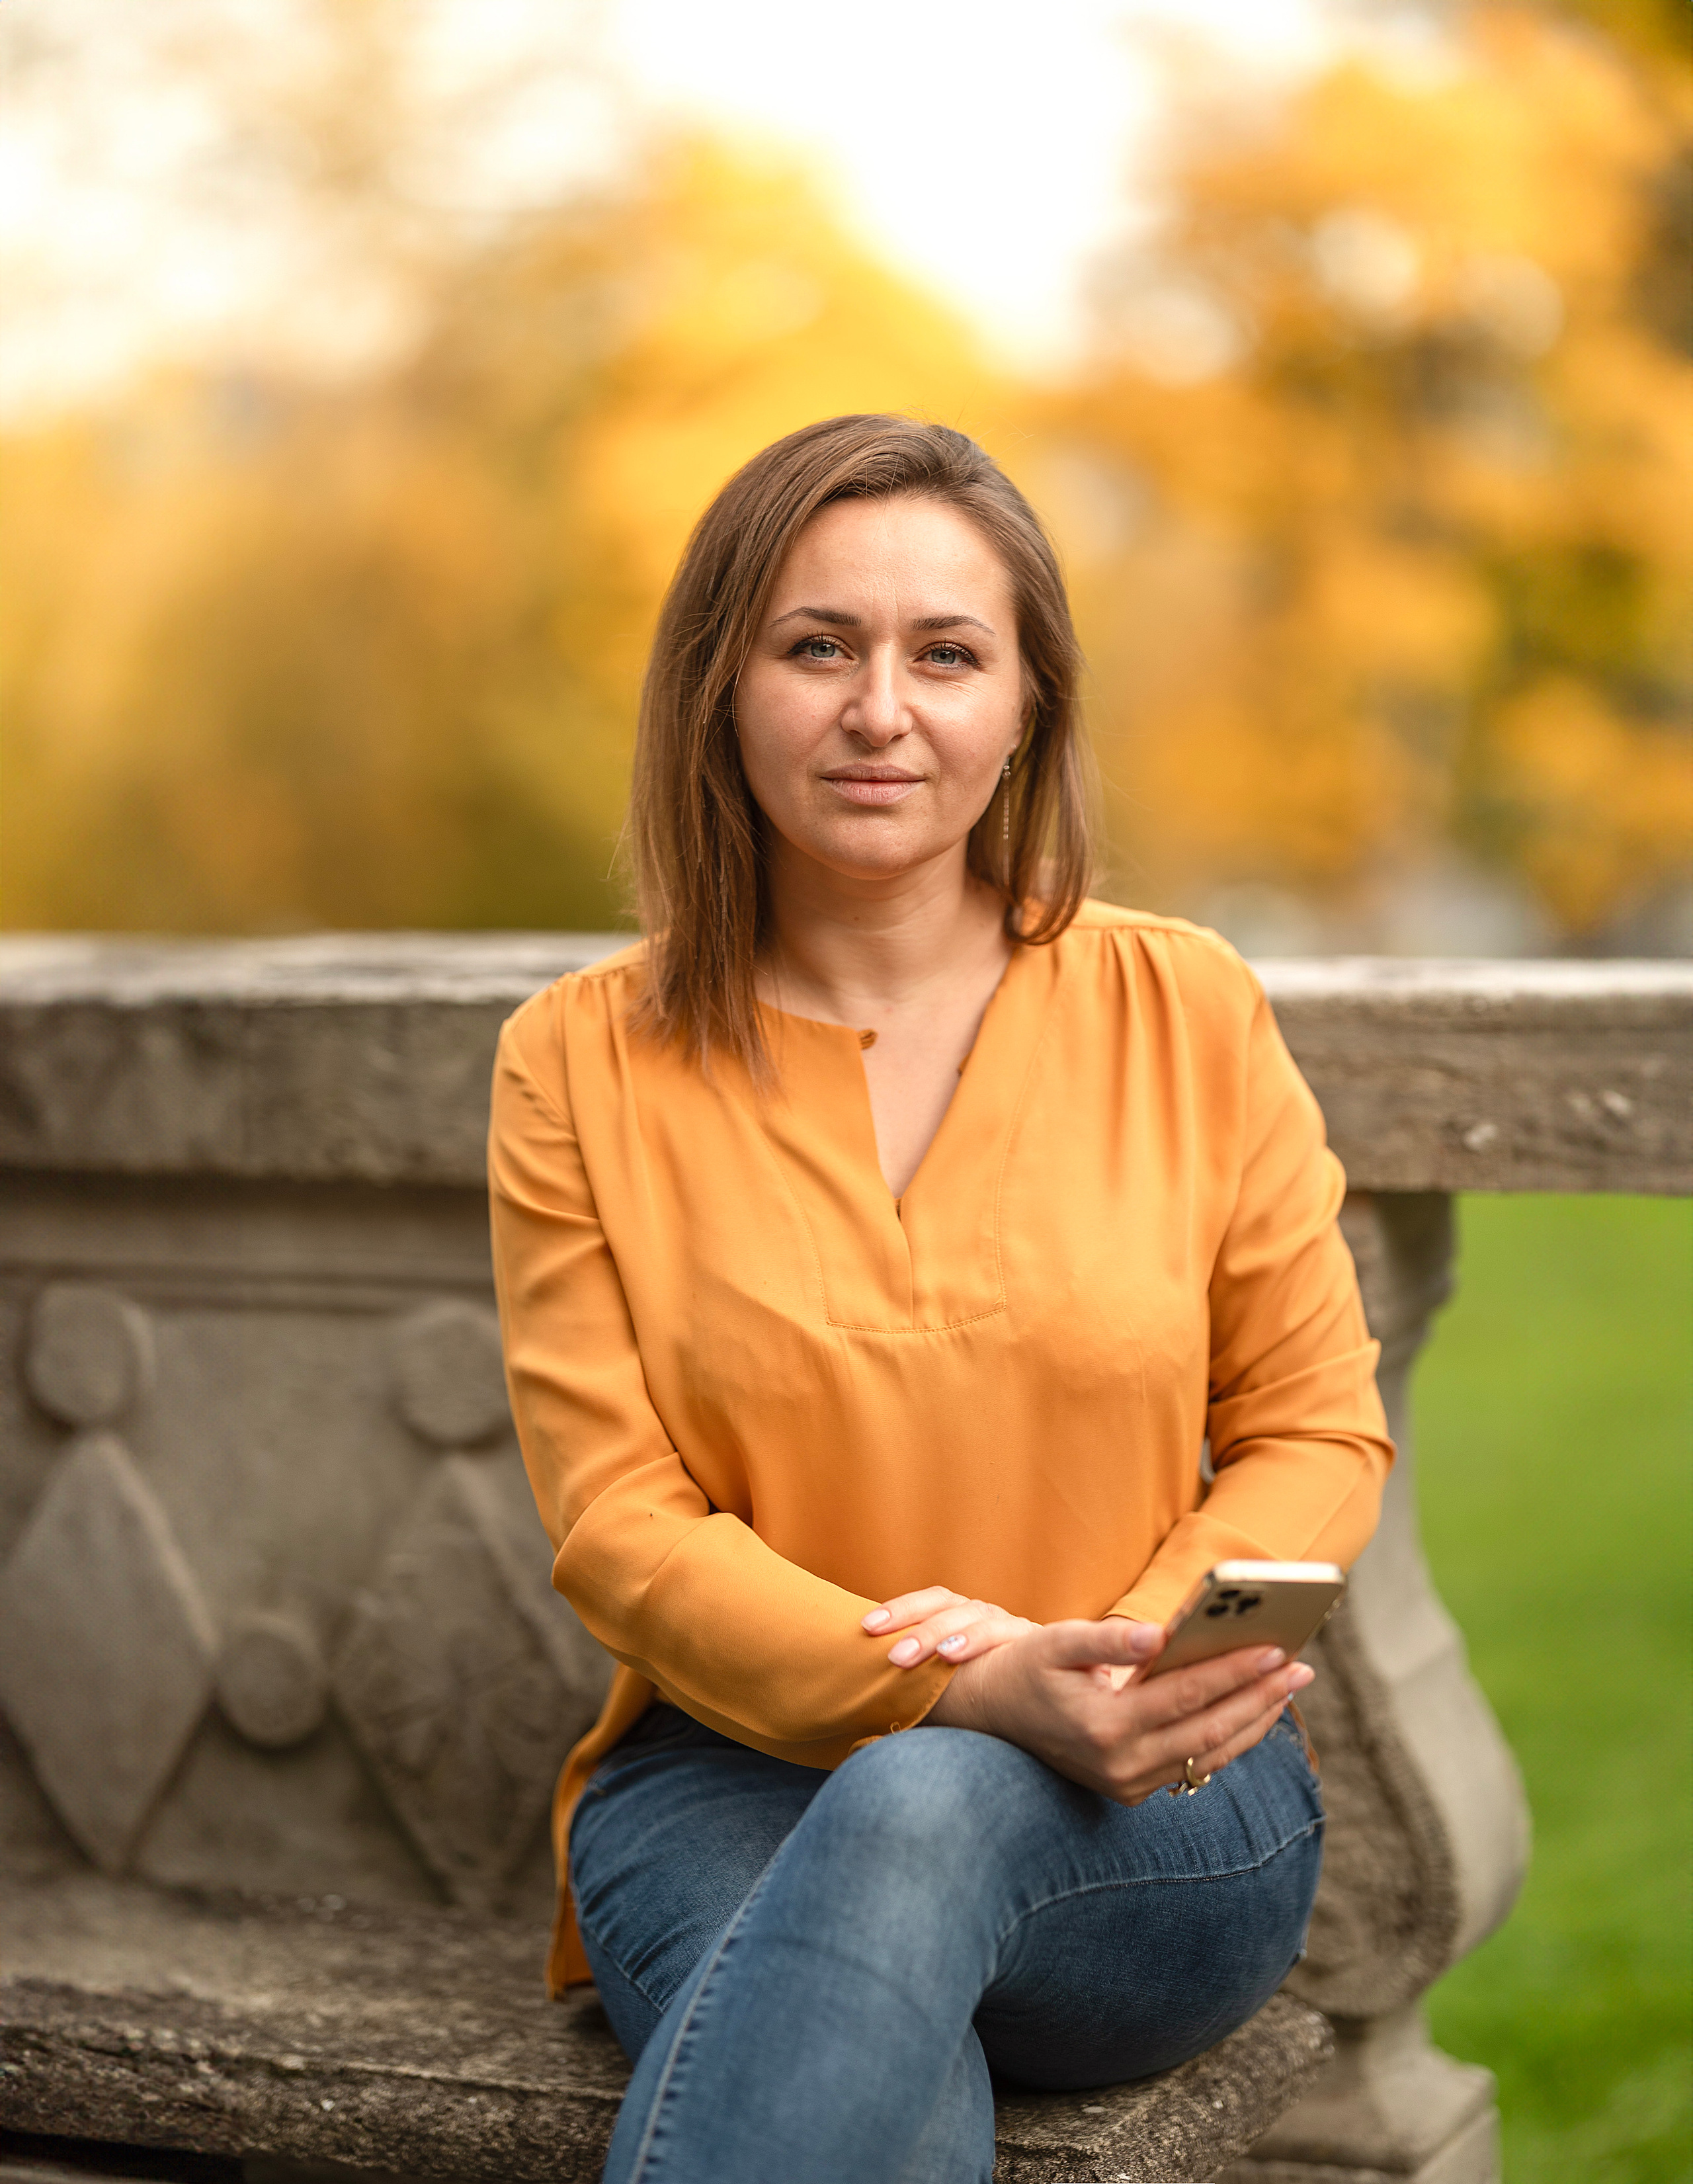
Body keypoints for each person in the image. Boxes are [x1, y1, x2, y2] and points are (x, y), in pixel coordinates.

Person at [487, 413, 1393, 2184]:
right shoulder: (576, 1059)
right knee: (880, 2089)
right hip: (724, 1777)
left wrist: (1123, 1661)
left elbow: (1311, 1423)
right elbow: (618, 1522)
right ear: (716, 687)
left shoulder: (1186, 1012)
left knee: (910, 1825)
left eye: (946, 653)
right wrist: (959, 1686)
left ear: (1028, 705)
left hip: (1161, 1792)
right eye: (816, 645)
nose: (878, 710)